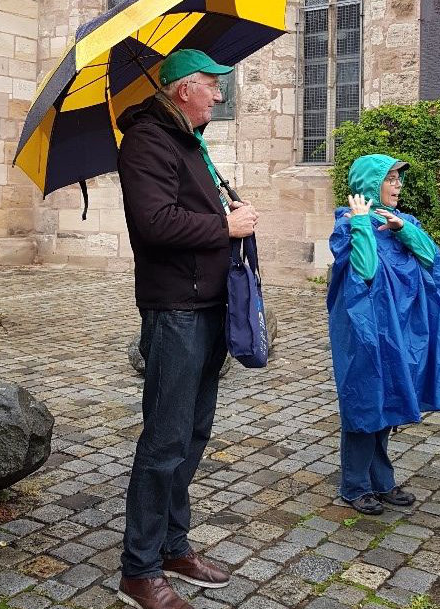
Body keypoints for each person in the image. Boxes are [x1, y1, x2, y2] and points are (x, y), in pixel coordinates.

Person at [116, 49, 258, 609]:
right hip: (175, 309)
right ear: (183, 91)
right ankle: (139, 567)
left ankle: (174, 546)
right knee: (165, 440)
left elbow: (188, 210)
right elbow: (153, 225)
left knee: (193, 435)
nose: (221, 96)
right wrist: (223, 224)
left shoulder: (189, 142)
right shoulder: (147, 142)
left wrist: (230, 206)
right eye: (213, 87)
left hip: (206, 306)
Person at [328, 154, 440, 515]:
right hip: (364, 334)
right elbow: (365, 271)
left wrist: (404, 230)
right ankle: (355, 486)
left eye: (398, 179)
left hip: (399, 331)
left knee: (386, 403)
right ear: (370, 184)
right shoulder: (347, 226)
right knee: (364, 403)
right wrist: (361, 224)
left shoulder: (403, 222)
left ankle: (382, 480)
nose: (398, 185)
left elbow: (432, 260)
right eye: (390, 178)